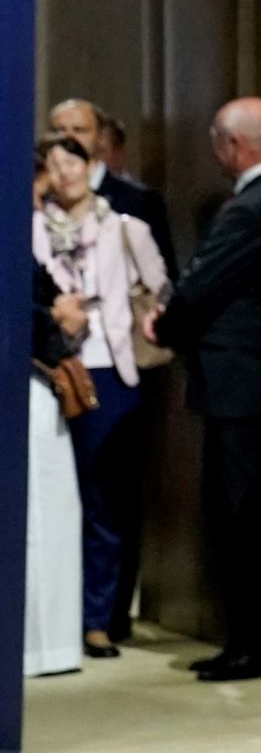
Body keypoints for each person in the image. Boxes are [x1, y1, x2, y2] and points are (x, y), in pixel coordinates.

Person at [144, 99, 261, 682]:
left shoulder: (249, 209)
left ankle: (254, 646)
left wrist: (164, 325)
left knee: (244, 516)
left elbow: (202, 287)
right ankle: (258, 641)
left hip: (241, 385)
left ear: (234, 146)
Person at [33, 134, 170, 660]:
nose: (65, 172)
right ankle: (50, 621)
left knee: (104, 499)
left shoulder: (125, 227)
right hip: (48, 370)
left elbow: (161, 290)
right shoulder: (31, 228)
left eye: (74, 161)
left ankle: (98, 619)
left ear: (92, 166)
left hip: (110, 371)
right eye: (54, 164)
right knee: (50, 497)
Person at [25, 259, 84, 678]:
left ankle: (49, 647)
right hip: (25, 378)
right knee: (40, 517)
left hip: (34, 379)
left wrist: (61, 308)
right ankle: (42, 648)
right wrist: (54, 319)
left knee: (49, 516)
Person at [50, 98, 176, 270]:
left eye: (79, 130)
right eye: (59, 130)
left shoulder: (140, 201)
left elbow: (164, 273)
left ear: (100, 137)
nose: (68, 138)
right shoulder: (39, 198)